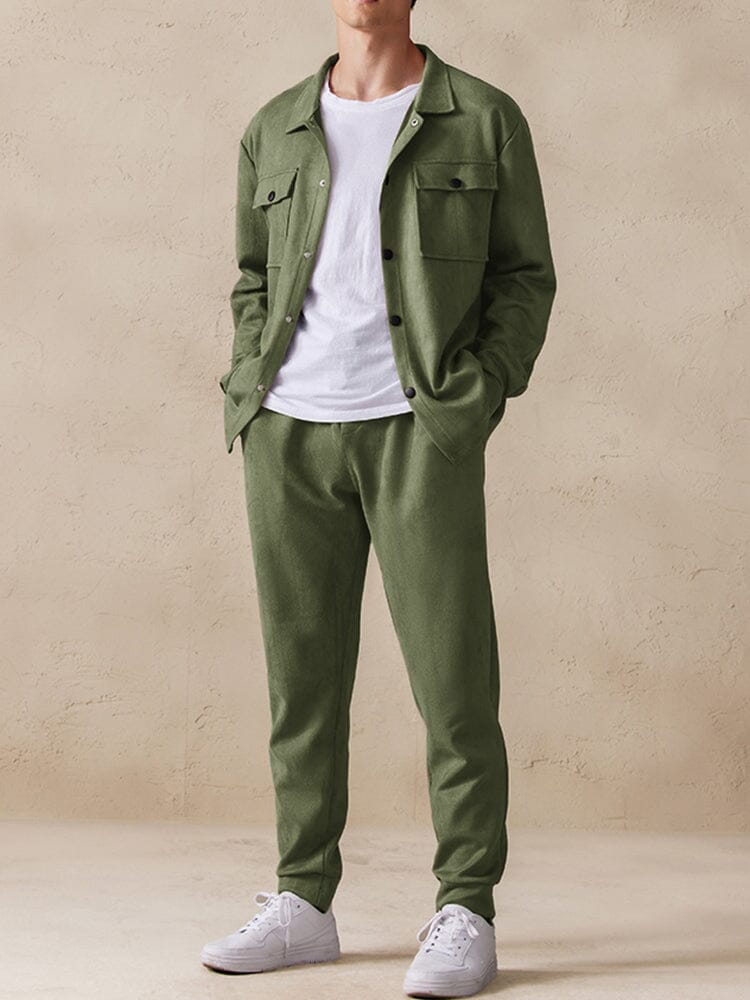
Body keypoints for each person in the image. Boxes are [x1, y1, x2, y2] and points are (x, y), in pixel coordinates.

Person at [201, 1, 556, 995]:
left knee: (454, 679)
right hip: (287, 431)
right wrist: (250, 382)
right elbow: (252, 277)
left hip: (418, 429)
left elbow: (525, 278)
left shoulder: (482, 118)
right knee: (302, 684)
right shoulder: (274, 126)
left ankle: (465, 905)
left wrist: (475, 394)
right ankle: (303, 901)